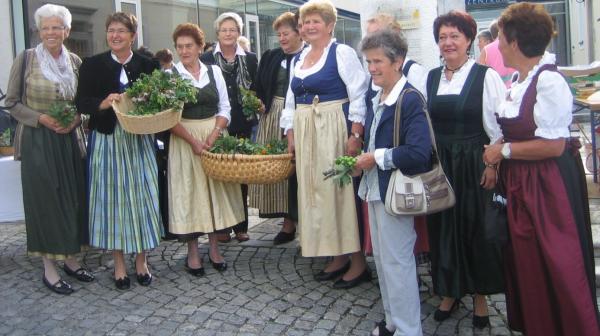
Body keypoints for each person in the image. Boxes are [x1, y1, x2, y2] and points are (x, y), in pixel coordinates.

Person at [483, 3, 600, 335]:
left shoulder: (549, 82)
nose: (498, 45)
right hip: (523, 182)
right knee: (528, 262)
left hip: (548, 187)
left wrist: (502, 150)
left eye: (501, 39)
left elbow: (553, 145)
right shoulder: (520, 80)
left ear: (515, 42)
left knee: (557, 262)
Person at [281, 0, 370, 289]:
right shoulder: (299, 58)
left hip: (333, 127)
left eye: (315, 21)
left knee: (341, 193)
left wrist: (355, 135)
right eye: (306, 22)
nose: (309, 26)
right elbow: (290, 100)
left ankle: (358, 263)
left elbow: (359, 94)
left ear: (330, 25)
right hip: (307, 131)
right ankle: (337, 255)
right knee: (317, 191)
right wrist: (290, 133)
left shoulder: (341, 52)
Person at [425, 10, 506, 328]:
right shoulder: (431, 77)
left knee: (475, 230)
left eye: (454, 36)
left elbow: (498, 127)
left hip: (473, 162)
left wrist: (491, 165)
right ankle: (449, 290)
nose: (448, 42)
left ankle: (480, 298)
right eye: (443, 37)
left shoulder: (486, 77)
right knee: (443, 229)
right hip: (441, 163)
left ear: (469, 40)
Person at [5, 3, 93, 295]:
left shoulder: (76, 62)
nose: (51, 32)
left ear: (66, 31)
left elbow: (84, 102)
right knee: (45, 201)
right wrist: (41, 118)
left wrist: (77, 118)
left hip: (70, 139)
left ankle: (70, 259)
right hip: (38, 140)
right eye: (46, 27)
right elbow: (11, 103)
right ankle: (49, 268)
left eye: (57, 27)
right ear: (39, 31)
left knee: (72, 199)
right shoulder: (27, 59)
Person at [75, 12, 162, 290]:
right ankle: (119, 264)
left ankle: (141, 261)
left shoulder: (148, 65)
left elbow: (160, 102)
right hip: (107, 139)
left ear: (132, 36)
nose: (115, 35)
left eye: (121, 31)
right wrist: (103, 102)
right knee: (112, 201)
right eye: (111, 30)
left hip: (138, 141)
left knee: (141, 197)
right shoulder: (92, 65)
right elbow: (82, 103)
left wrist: (143, 102)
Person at [356, 29, 432, 336]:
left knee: (398, 265)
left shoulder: (410, 99)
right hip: (377, 189)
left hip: (396, 191)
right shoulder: (379, 96)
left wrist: (376, 158)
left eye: (377, 62)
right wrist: (360, 162)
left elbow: (419, 153)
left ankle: (408, 330)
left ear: (398, 61)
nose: (372, 68)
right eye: (369, 62)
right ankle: (393, 323)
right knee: (386, 264)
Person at [168, 23, 243, 275]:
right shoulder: (171, 75)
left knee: (214, 193)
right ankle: (192, 252)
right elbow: (169, 117)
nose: (184, 51)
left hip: (214, 136)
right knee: (190, 194)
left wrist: (213, 134)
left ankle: (214, 248)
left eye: (189, 46)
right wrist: (193, 141)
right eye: (180, 46)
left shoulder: (214, 71)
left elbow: (225, 108)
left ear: (200, 47)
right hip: (184, 138)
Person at [200, 12, 258, 243]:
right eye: (224, 30)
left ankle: (241, 225)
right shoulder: (206, 58)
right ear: (217, 33)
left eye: (232, 29)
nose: (228, 33)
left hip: (243, 123)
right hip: (216, 123)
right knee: (221, 177)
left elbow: (258, 87)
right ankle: (222, 227)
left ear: (239, 32)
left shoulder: (251, 58)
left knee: (241, 176)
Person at [249, 12, 304, 245]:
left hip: (300, 117)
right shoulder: (271, 56)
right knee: (278, 170)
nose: (281, 38)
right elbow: (257, 87)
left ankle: (305, 221)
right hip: (272, 115)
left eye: (286, 33)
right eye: (278, 34)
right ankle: (287, 222)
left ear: (298, 32)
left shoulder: (309, 56)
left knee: (299, 169)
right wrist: (257, 102)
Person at [365, 13, 428, 96]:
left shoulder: (412, 70)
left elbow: (419, 105)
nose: (369, 42)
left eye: (375, 37)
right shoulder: (373, 70)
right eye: (368, 37)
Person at [477, 20, 515, 88]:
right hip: (514, 88)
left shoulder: (486, 50)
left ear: (492, 34)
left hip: (495, 91)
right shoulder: (514, 44)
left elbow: (479, 76)